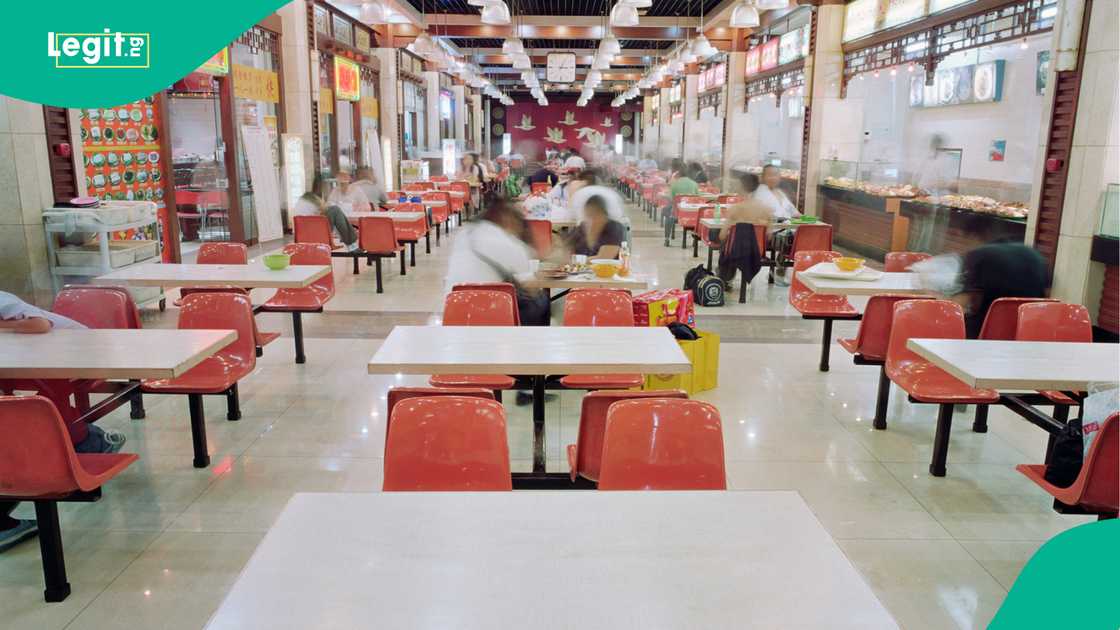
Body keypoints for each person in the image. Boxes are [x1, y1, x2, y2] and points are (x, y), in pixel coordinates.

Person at [0, 291, 127, 553]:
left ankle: (89, 441)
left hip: (78, 349)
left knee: (46, 405)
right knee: (35, 412)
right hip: (34, 357)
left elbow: (39, 325)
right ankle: (89, 441)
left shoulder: (3, 301)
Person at [444, 200, 550, 326]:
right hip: (494, 316)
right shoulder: (509, 243)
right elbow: (531, 285)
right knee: (541, 301)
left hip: (455, 313)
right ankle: (532, 342)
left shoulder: (465, 233)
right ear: (509, 220)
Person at [955, 242, 1051, 338]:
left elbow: (969, 303)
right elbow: (1046, 296)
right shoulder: (1035, 256)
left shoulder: (977, 256)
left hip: (988, 335)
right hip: (1028, 332)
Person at [564, 194, 626, 259]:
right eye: (588, 214)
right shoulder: (582, 228)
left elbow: (604, 258)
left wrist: (576, 261)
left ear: (603, 213)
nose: (591, 219)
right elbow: (564, 248)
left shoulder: (614, 228)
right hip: (580, 268)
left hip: (605, 268)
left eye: (594, 213)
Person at [294, 192, 359, 251]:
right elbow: (322, 210)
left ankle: (351, 243)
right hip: (319, 236)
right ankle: (352, 245)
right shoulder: (313, 203)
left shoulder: (299, 204)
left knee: (332, 211)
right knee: (335, 210)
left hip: (303, 238)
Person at [665, 161, 699, 246]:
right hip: (692, 215)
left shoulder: (674, 184)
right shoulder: (694, 184)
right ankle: (695, 239)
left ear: (679, 174)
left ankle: (667, 238)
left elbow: (671, 199)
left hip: (677, 214)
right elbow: (698, 199)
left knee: (668, 215)